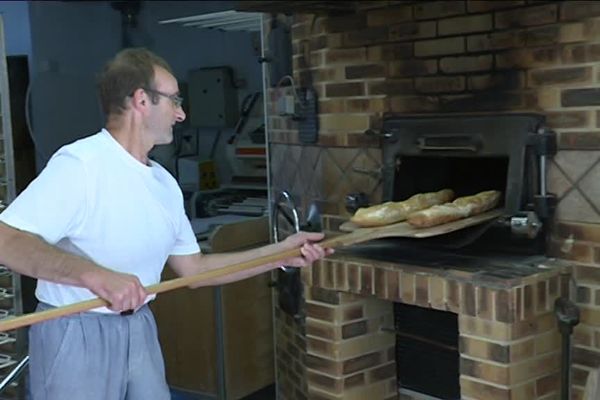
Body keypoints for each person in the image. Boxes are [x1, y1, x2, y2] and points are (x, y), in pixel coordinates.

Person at [0, 48, 332, 400]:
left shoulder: (163, 182)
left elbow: (195, 268)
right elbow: (6, 239)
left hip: (139, 325)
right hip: (76, 330)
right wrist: (92, 275)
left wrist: (279, 254)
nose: (181, 112)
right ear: (142, 100)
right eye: (174, 100)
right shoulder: (81, 165)